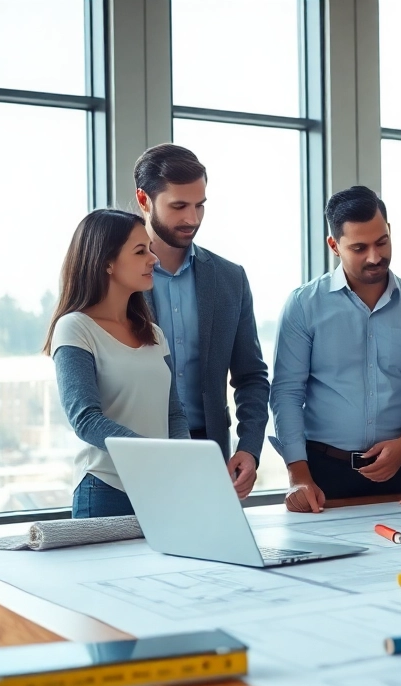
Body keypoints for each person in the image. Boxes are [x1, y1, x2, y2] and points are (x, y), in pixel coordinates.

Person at [43, 208, 189, 686]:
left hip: (162, 497)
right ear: (105, 262)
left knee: (150, 643)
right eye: (140, 251)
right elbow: (86, 418)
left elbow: (174, 412)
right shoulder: (73, 328)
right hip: (105, 495)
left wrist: (182, 464)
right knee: (107, 652)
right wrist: (158, 458)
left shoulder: (149, 330)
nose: (153, 259)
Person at [270, 186, 401, 511]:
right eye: (359, 247)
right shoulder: (303, 305)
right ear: (334, 245)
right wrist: (299, 475)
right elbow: (287, 393)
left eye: (382, 242)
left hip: (398, 472)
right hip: (322, 474)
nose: (374, 257)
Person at [133, 144, 270, 500]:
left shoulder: (229, 278)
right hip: (137, 453)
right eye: (179, 206)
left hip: (210, 455)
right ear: (144, 200)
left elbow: (251, 376)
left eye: (200, 205)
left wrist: (250, 447)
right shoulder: (119, 277)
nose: (192, 218)